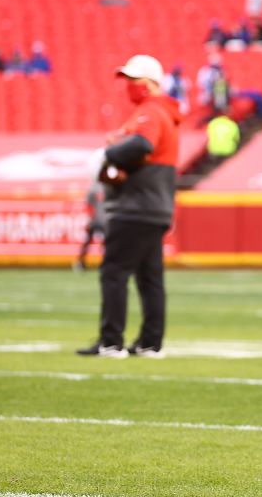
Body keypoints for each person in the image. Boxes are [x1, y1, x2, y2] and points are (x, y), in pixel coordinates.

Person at [78, 55, 181, 359]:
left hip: (136, 206)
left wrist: (108, 154)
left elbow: (142, 145)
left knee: (114, 272)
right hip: (156, 206)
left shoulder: (151, 111)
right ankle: (150, 342)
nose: (128, 87)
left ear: (150, 84)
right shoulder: (160, 112)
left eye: (133, 81)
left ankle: (111, 341)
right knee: (150, 278)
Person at [75, 150, 110, 274]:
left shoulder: (107, 186)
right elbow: (88, 205)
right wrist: (90, 217)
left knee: (105, 243)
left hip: (104, 219)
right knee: (87, 242)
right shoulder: (96, 187)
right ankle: (80, 262)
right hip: (96, 219)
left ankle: (104, 263)